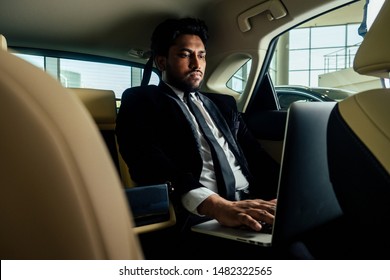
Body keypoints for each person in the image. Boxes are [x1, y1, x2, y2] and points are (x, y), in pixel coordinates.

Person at [116, 17, 303, 259]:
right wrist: (216, 205)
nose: (197, 64)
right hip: (197, 214)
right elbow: (147, 160)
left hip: (252, 202)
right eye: (185, 55)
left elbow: (255, 155)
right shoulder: (141, 100)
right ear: (162, 61)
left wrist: (287, 192)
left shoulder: (223, 104)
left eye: (202, 55)